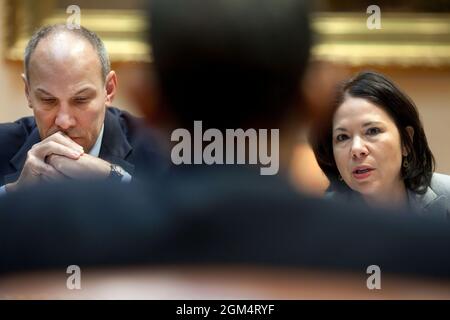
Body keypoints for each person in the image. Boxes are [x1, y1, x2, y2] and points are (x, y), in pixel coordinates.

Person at [2, 0, 450, 282]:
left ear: (145, 100)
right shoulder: (424, 255)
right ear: (314, 102)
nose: (64, 117)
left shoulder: (21, 234)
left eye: (82, 98)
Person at [0, 24, 167, 194]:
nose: (64, 122)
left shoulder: (158, 145)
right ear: (28, 92)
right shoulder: (3, 144)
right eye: (48, 100)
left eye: (80, 100)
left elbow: (181, 214)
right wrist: (14, 191)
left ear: (108, 90)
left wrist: (114, 178)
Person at [311, 71, 450, 218]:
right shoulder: (319, 218)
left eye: (372, 131)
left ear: (406, 142)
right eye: (343, 137)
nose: (357, 149)